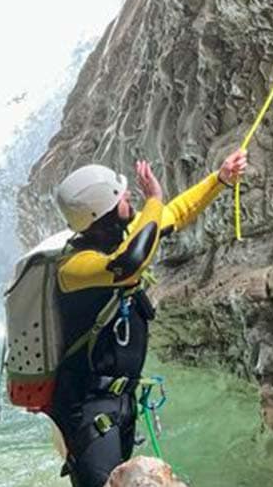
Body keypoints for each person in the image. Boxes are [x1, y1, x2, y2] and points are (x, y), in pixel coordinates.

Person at [51, 150, 248, 487]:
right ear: (104, 211)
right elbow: (132, 261)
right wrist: (154, 198)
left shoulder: (117, 238)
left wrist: (220, 179)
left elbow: (172, 215)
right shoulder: (74, 268)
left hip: (118, 401)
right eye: (123, 195)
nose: (130, 196)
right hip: (87, 407)